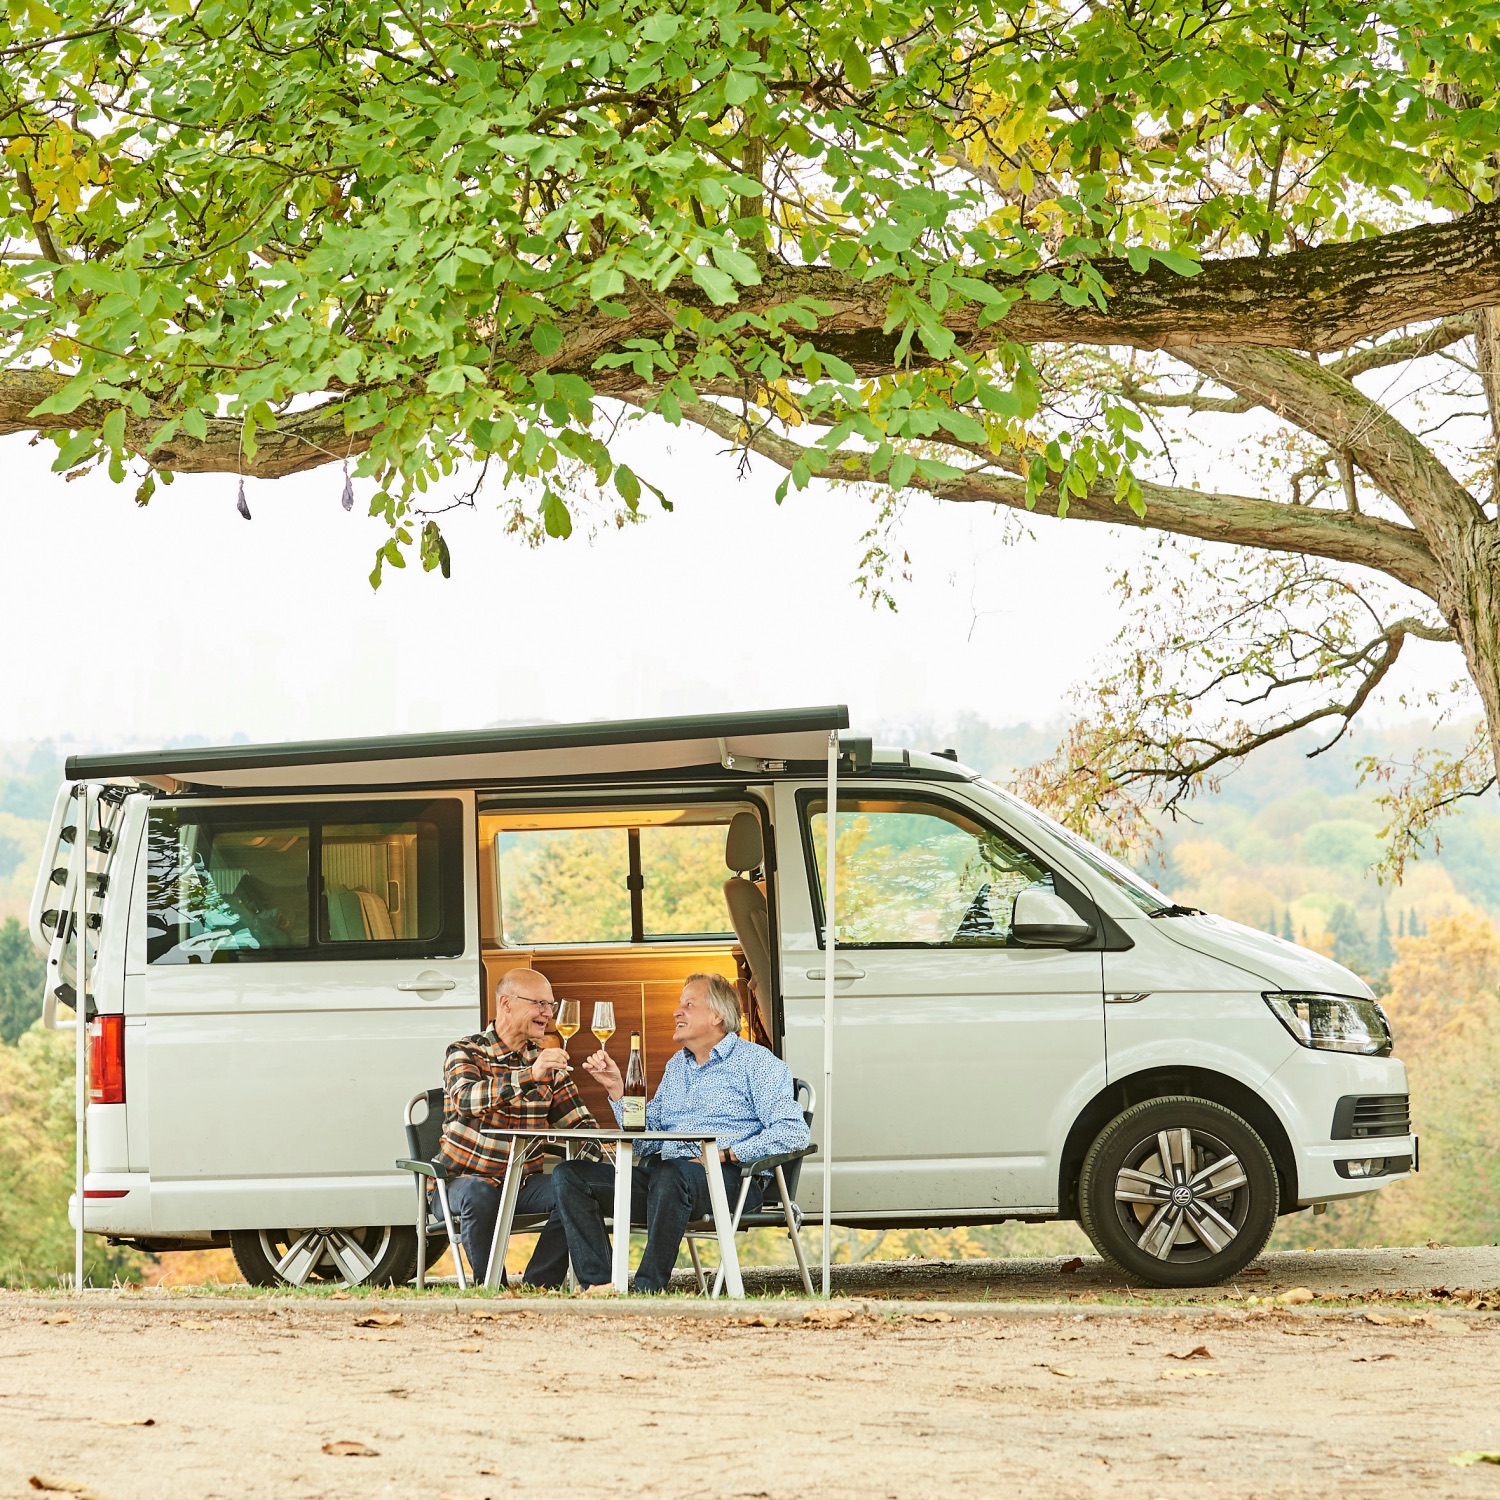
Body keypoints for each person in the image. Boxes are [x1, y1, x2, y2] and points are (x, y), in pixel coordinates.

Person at [552, 972, 809, 1294]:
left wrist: (724, 1155)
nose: (677, 1012)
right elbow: (652, 1138)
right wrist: (618, 1091)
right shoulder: (678, 1065)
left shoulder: (757, 1063)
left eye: (689, 1004)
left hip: (732, 1181)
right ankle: (600, 1286)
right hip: (668, 1181)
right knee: (569, 1175)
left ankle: (647, 1289)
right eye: (679, 1004)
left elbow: (793, 1132)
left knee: (672, 1173)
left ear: (717, 1016)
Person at [438, 967, 599, 1287]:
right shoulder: (466, 1052)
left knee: (577, 1190)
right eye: (539, 1003)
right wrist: (530, 1076)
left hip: (523, 1184)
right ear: (506, 1003)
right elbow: (467, 1101)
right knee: (479, 1193)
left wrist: (590, 1161)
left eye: (551, 1005)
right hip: (461, 1183)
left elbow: (581, 1124)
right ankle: (492, 1289)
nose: (548, 1013)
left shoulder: (547, 1062)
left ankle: (538, 1285)